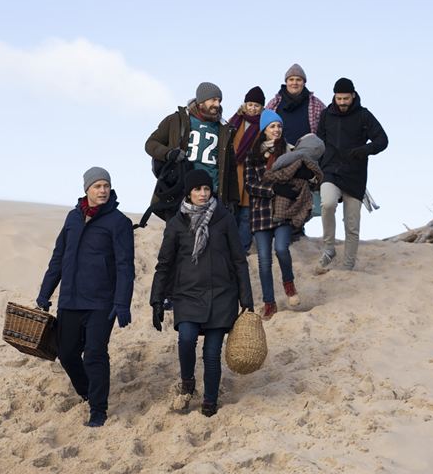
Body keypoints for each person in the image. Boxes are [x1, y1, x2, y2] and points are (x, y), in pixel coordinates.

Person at [150, 169, 253, 417]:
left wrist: (246, 300)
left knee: (211, 353)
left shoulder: (224, 219)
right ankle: (187, 382)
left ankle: (210, 401)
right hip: (187, 294)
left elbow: (239, 260)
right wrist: (156, 300)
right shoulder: (177, 223)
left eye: (207, 189)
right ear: (189, 192)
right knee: (186, 339)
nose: (203, 194)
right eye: (198, 190)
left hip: (221, 296)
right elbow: (165, 263)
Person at [36, 167, 135, 428]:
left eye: (106, 186)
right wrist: (45, 293)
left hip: (101, 303)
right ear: (86, 190)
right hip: (70, 299)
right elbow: (58, 258)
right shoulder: (72, 218)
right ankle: (87, 392)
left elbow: (126, 266)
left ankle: (98, 409)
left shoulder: (119, 223)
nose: (102, 190)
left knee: (94, 354)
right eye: (97, 186)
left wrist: (122, 302)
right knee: (67, 354)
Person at [316, 78, 388, 271]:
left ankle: (348, 266)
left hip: (355, 175)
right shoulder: (325, 115)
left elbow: (383, 140)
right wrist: (323, 162)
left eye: (345, 98)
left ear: (353, 96)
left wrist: (363, 150)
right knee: (327, 203)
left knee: (352, 224)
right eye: (338, 98)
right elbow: (319, 141)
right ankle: (329, 248)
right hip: (330, 171)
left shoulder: (364, 116)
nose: (342, 102)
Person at [145, 81, 239, 215]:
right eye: (213, 100)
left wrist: (233, 200)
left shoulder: (225, 129)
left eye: (219, 100)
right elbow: (151, 143)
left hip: (212, 196)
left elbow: (231, 168)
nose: (217, 104)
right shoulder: (177, 120)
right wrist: (169, 153)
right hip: (180, 192)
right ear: (201, 101)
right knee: (176, 235)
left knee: (212, 236)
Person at [244, 109, 301, 320]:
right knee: (264, 261)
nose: (276, 130)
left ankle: (289, 283)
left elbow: (297, 178)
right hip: (260, 214)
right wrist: (272, 190)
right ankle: (269, 303)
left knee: (282, 249)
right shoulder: (253, 155)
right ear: (264, 130)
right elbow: (250, 185)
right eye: (272, 126)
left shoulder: (288, 151)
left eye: (279, 126)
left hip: (282, 210)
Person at [228, 85, 265, 253]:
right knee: (231, 212)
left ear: (261, 108)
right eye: (250, 104)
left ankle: (242, 249)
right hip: (233, 173)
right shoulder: (235, 120)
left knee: (246, 214)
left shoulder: (263, 125)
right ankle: (229, 247)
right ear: (245, 104)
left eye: (256, 105)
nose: (252, 108)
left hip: (251, 174)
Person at [266, 63, 326, 145]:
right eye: (291, 79)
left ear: (304, 83)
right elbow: (263, 127)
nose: (294, 83)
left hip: (307, 153)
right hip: (279, 152)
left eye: (298, 80)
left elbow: (326, 128)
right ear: (286, 82)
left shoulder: (316, 104)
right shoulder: (274, 103)